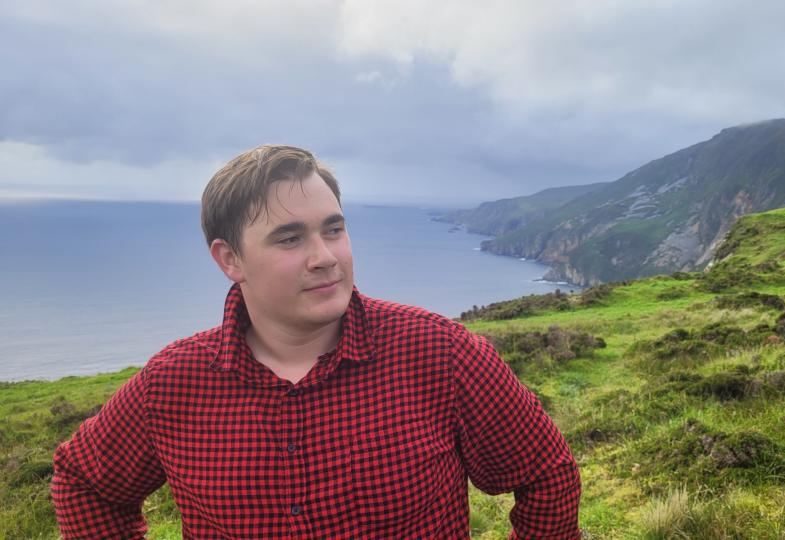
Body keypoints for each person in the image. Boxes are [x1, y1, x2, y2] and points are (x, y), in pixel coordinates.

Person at [51, 145, 581, 538]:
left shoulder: (441, 353)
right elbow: (83, 482)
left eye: (333, 229)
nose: (325, 255)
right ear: (229, 259)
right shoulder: (173, 382)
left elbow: (547, 477)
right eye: (289, 238)